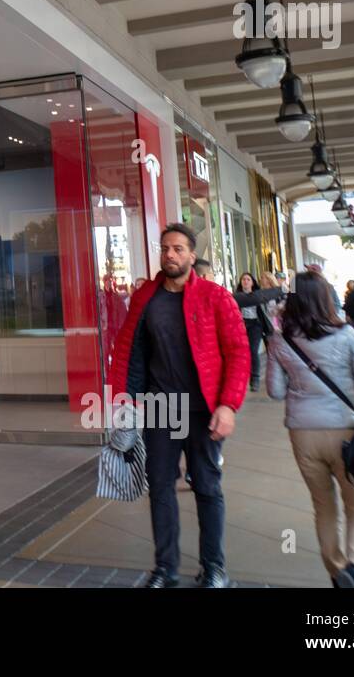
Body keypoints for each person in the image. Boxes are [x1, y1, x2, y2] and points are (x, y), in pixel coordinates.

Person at [110, 223, 249, 589]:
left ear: (191, 255)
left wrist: (229, 405)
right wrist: (123, 399)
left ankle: (214, 568)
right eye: (165, 248)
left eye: (178, 249)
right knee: (159, 487)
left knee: (206, 486)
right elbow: (127, 348)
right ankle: (165, 568)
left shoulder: (216, 297)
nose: (170, 255)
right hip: (160, 407)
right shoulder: (145, 298)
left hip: (205, 408)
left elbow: (238, 352)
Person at [266, 270, 354, 588]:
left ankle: (336, 571)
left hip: (303, 432)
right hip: (347, 431)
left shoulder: (279, 339)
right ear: (326, 298)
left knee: (324, 506)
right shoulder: (346, 336)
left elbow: (275, 391)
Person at [233, 272, 282, 391]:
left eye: (248, 279)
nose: (245, 281)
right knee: (241, 352)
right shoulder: (236, 296)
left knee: (253, 350)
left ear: (252, 282)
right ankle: (241, 378)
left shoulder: (258, 295)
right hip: (242, 324)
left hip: (256, 325)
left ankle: (255, 379)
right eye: (243, 279)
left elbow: (270, 309)